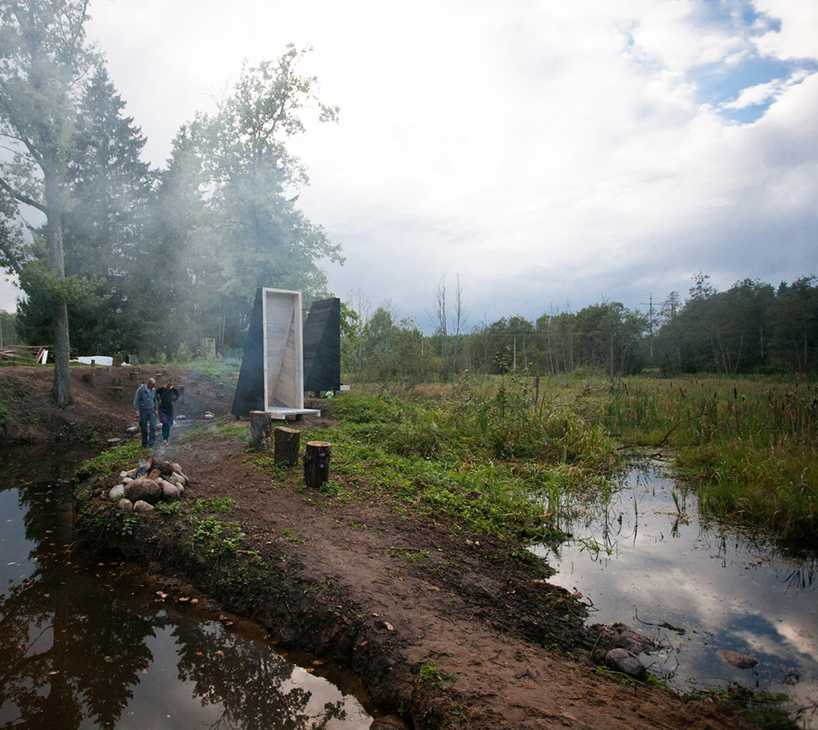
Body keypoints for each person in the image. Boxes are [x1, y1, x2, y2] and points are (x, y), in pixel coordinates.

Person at [133, 377, 158, 448]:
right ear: (148, 384)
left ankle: (151, 443)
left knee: (153, 426)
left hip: (151, 411)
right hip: (143, 411)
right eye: (152, 385)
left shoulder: (153, 390)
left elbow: (155, 400)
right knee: (143, 428)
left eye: (154, 386)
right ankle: (144, 443)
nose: (153, 387)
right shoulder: (140, 390)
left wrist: (156, 410)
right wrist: (137, 411)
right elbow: (136, 400)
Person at [156, 379, 181, 445]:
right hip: (162, 409)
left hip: (169, 409)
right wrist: (158, 399)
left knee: (169, 424)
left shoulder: (173, 390)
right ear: (166, 383)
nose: (169, 386)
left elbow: (178, 394)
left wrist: (173, 400)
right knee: (165, 423)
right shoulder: (161, 389)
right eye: (168, 384)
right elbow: (155, 393)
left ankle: (165, 438)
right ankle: (165, 439)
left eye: (170, 385)